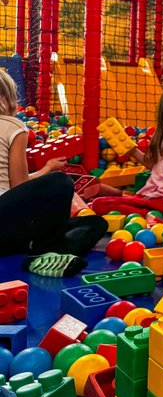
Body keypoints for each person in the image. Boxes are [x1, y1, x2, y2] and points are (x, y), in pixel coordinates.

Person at [0, 69, 107, 273]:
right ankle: (48, 251)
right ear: (6, 97)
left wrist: (45, 169)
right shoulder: (13, 126)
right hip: (4, 223)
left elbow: (13, 188)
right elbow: (19, 186)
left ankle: (39, 248)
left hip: (6, 237)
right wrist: (49, 170)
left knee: (93, 223)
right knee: (61, 182)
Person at [90, 83, 163, 216]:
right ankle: (147, 212)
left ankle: (151, 213)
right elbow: (152, 164)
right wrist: (133, 151)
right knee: (98, 204)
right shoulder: (162, 137)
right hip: (151, 195)